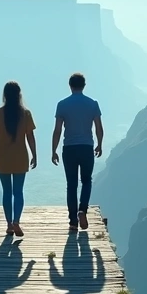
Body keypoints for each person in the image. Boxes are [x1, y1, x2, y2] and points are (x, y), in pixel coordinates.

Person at [51, 72, 103, 232]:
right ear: (84, 86)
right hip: (87, 147)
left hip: (69, 148)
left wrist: (54, 150)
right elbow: (99, 127)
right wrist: (99, 144)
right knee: (86, 181)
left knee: (71, 185)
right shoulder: (93, 104)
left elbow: (58, 130)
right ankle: (83, 210)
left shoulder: (62, 104)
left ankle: (73, 221)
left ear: (70, 86)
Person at [0, 80, 37, 236]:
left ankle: (8, 224)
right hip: (21, 157)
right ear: (19, 95)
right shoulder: (26, 114)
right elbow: (30, 137)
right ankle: (16, 221)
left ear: (5, 95)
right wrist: (34, 155)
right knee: (18, 192)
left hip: (3, 158)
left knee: (7, 192)